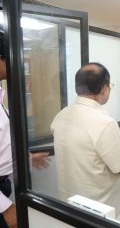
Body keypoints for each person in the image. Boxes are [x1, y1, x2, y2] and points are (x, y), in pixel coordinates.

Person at [51, 62, 120, 217]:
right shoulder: (104, 123)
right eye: (110, 86)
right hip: (98, 207)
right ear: (104, 88)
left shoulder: (62, 114)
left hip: (68, 201)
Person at [0, 31, 50, 228]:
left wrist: (27, 159)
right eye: (10, 58)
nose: (16, 65)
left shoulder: (2, 95)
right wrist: (5, 207)